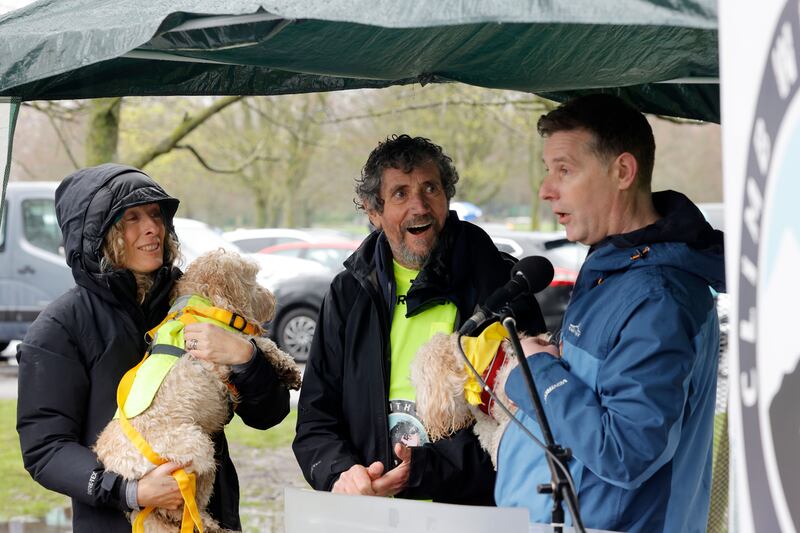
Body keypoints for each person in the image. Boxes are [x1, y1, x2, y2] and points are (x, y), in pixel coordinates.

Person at [494, 94, 726, 532]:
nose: (546, 189)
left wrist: (537, 372)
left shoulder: (659, 297)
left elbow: (625, 452)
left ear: (622, 171)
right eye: (548, 171)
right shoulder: (612, 267)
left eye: (564, 170)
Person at [16, 164, 292, 531]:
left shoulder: (196, 302)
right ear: (97, 233)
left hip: (211, 516)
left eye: (155, 214)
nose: (153, 228)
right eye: (131, 217)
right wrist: (133, 491)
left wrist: (246, 358)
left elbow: (269, 415)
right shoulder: (60, 328)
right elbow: (45, 449)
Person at [293, 134, 513, 503]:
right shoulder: (349, 293)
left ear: (446, 198)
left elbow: (522, 423)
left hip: (471, 514)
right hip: (374, 509)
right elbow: (316, 420)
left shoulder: (497, 283)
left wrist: (426, 470)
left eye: (431, 189)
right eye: (400, 194)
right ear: (373, 212)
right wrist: (341, 473)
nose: (419, 206)